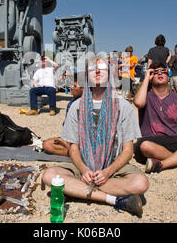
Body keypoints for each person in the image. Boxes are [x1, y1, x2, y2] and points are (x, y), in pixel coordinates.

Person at [42, 54, 149, 218]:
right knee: (49, 175)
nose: (97, 71)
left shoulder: (124, 106)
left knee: (141, 183)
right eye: (92, 68)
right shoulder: (76, 107)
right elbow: (73, 147)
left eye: (102, 68)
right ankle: (114, 199)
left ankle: (76, 190)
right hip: (83, 167)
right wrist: (84, 169)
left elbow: (127, 150)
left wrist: (107, 172)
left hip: (113, 168)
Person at [42, 76, 84, 156]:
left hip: (81, 141)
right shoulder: (72, 102)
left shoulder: (82, 104)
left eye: (74, 86)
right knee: (47, 143)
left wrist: (66, 142)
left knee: (47, 145)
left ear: (83, 89)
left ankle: (77, 153)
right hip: (72, 138)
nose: (71, 87)